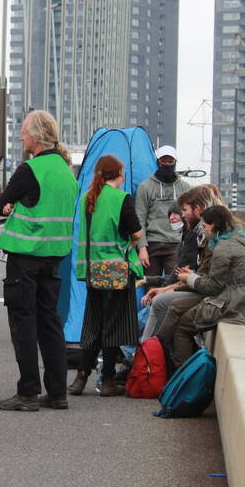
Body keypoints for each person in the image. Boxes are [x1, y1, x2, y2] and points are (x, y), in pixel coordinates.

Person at [0, 111, 79, 410]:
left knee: (23, 323)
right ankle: (57, 392)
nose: (21, 138)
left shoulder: (30, 169)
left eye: (24, 132)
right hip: (54, 257)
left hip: (26, 255)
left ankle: (28, 392)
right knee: (50, 323)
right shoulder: (66, 171)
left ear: (37, 136)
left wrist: (9, 206)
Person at [71, 154, 144, 398]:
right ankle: (108, 380)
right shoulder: (121, 198)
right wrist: (127, 244)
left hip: (92, 270)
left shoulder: (87, 198)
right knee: (114, 327)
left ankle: (81, 377)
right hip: (116, 271)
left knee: (94, 324)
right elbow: (136, 233)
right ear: (119, 175)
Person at [169, 205, 245, 365]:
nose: (203, 229)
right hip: (241, 300)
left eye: (205, 225)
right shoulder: (238, 240)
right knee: (178, 310)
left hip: (232, 305)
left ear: (215, 225)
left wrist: (189, 278)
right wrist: (193, 276)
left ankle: (183, 372)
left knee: (183, 327)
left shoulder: (223, 248)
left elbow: (212, 287)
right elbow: (220, 279)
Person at [140, 185, 219, 341]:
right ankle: (147, 349)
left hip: (212, 297)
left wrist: (167, 289)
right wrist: (162, 286)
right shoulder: (194, 235)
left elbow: (197, 277)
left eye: (182, 211)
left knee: (159, 304)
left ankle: (145, 350)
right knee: (158, 305)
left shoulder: (202, 237)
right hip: (204, 291)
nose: (180, 216)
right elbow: (190, 275)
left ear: (197, 209)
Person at [134, 145, 191, 278]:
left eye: (170, 161)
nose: (166, 164)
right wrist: (142, 248)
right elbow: (139, 219)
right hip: (151, 244)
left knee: (175, 284)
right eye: (163, 161)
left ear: (175, 162)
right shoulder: (145, 187)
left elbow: (190, 219)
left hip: (176, 244)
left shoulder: (185, 188)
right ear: (157, 162)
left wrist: (188, 246)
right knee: (150, 286)